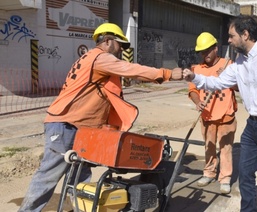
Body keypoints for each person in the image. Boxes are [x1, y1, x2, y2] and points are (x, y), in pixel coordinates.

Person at [19, 22, 182, 212]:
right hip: (65, 125)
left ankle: (82, 208)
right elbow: (132, 70)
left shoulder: (91, 59)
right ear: (107, 41)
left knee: (81, 176)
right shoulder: (100, 58)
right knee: (48, 176)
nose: (121, 49)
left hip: (81, 128)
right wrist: (167, 73)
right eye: (119, 43)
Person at [183, 15, 257, 212]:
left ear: (245, 34)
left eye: (232, 36)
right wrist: (195, 77)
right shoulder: (239, 62)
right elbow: (218, 83)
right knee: (246, 174)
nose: (229, 40)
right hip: (252, 126)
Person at [188, 32, 237, 194]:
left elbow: (239, 86)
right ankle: (209, 173)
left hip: (226, 115)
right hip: (207, 115)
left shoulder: (228, 64)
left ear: (216, 48)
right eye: (202, 52)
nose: (205, 55)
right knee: (209, 146)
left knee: (226, 148)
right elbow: (193, 90)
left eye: (208, 50)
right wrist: (198, 102)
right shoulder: (197, 69)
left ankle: (225, 178)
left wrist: (229, 77)